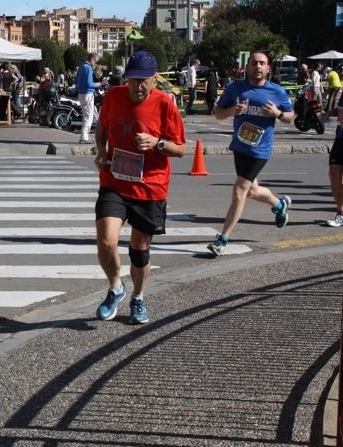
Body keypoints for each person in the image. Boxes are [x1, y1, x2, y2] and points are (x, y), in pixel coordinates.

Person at [93, 50, 186, 324]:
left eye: (143, 80)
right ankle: (115, 287)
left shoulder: (165, 105)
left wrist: (157, 143)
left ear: (155, 79)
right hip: (115, 180)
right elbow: (102, 127)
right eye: (133, 79)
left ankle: (138, 297)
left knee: (139, 250)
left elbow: (180, 149)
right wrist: (100, 151)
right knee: (106, 240)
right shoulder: (113, 96)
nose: (137, 86)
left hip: (150, 186)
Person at [206, 50, 295, 257]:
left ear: (268, 68)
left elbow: (291, 117)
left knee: (239, 190)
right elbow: (217, 114)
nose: (257, 66)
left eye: (262, 63)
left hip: (260, 150)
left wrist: (278, 114)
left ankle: (222, 239)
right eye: (254, 63)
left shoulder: (277, 91)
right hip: (240, 147)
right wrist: (231, 111)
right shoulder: (236, 88)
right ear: (247, 67)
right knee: (252, 191)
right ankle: (280, 204)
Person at [76, 53, 102, 144]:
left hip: (81, 94)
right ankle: (84, 137)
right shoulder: (88, 68)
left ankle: (84, 137)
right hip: (87, 94)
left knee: (86, 116)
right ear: (92, 59)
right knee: (88, 117)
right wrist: (99, 84)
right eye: (96, 61)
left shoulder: (81, 66)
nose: (95, 64)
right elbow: (89, 84)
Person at [326, 95, 343, 227]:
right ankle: (341, 213)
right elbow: (339, 109)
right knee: (334, 174)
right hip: (340, 139)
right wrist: (328, 113)